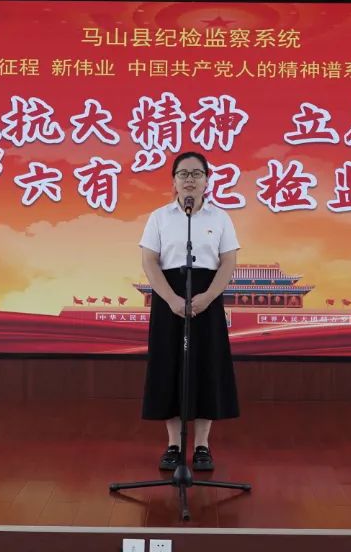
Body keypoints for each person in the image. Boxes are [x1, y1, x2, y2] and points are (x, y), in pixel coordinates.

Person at [139, 151, 240, 472]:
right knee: (169, 366)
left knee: (207, 365)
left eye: (197, 174)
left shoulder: (220, 218)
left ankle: (201, 446)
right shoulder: (159, 217)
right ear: (173, 181)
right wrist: (170, 298)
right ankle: (173, 445)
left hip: (207, 297)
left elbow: (228, 261)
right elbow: (149, 261)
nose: (190, 180)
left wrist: (208, 296)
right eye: (183, 174)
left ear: (207, 181)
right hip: (168, 297)